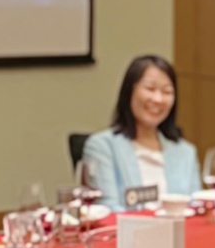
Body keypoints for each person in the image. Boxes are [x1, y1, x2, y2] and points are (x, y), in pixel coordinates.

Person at [82, 55, 201, 208]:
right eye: (150, 89)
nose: (158, 99)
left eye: (167, 92)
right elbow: (107, 209)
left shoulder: (186, 152)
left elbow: (195, 209)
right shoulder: (102, 147)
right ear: (129, 91)